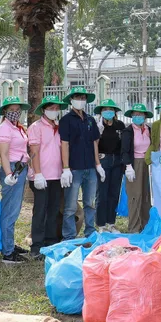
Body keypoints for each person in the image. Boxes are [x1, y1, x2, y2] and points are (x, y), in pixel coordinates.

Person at [59, 86, 103, 240]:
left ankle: (90, 233)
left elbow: (94, 142)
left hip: (90, 167)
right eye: (77, 97)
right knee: (70, 207)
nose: (80, 100)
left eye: (83, 98)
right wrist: (65, 168)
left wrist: (98, 164)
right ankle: (69, 236)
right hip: (73, 168)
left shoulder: (90, 119)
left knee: (90, 203)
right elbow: (64, 144)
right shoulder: (65, 120)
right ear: (71, 100)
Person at [28, 96, 68, 258]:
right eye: (50, 108)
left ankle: (50, 242)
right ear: (43, 110)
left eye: (56, 109)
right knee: (40, 211)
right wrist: (37, 173)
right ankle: (36, 246)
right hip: (40, 177)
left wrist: (66, 169)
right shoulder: (36, 127)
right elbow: (34, 151)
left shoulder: (60, 127)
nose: (54, 111)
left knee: (53, 211)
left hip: (57, 176)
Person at [0, 95, 31, 264]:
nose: (15, 113)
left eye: (18, 110)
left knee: (14, 210)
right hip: (13, 169)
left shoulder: (17, 128)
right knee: (9, 210)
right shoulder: (4, 128)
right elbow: (3, 153)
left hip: (21, 168)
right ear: (5, 112)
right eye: (11, 110)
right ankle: (7, 252)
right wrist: (9, 174)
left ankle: (9, 244)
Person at [94, 99, 125, 231]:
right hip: (103, 160)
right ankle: (101, 224)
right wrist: (97, 163)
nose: (108, 112)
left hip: (117, 161)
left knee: (114, 193)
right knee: (102, 193)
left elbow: (123, 144)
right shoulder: (98, 126)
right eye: (105, 110)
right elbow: (94, 144)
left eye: (110, 110)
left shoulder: (120, 126)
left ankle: (111, 222)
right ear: (101, 112)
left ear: (115, 112)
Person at [123, 104, 152, 232]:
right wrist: (128, 166)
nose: (138, 117)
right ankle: (134, 227)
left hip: (147, 163)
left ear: (145, 116)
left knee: (146, 195)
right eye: (135, 114)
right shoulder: (128, 131)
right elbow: (124, 150)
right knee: (135, 195)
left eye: (140, 114)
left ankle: (146, 226)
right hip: (134, 163)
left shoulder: (148, 129)